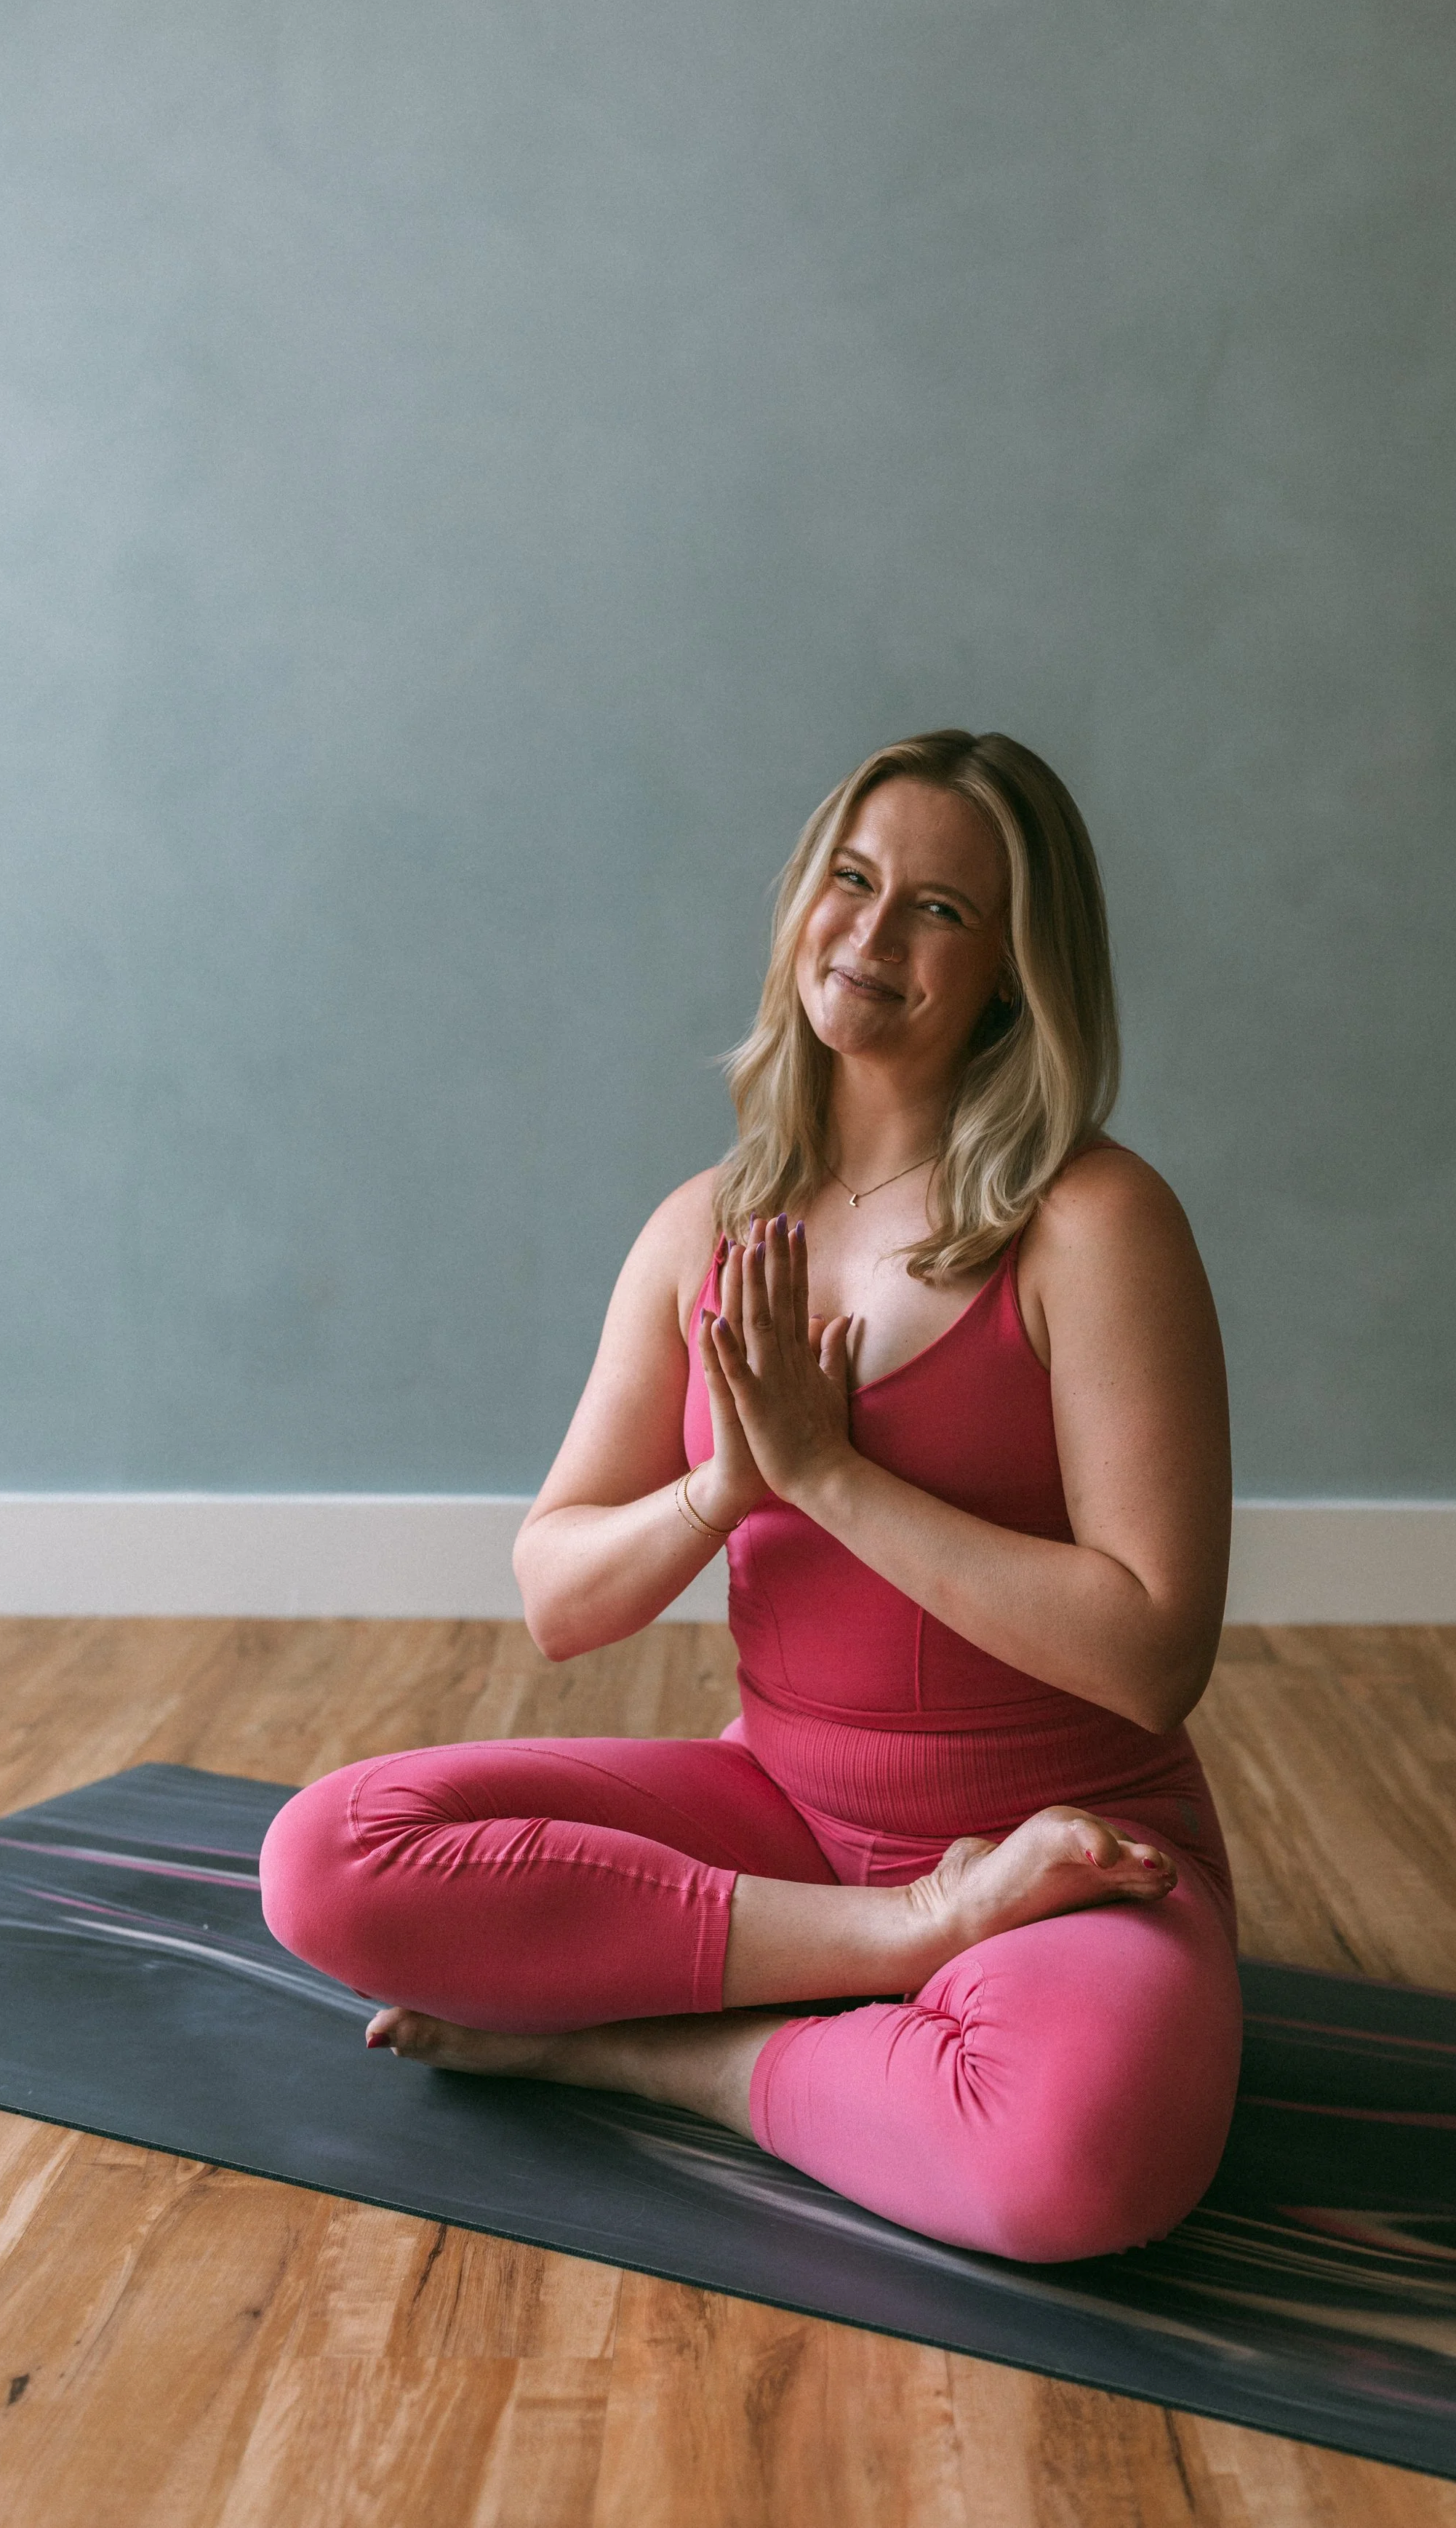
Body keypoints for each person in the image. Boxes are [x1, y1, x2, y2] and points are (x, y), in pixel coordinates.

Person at [260, 729, 1241, 2263]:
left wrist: (828, 1476)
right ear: (800, 901)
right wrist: (728, 1485)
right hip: (783, 1813)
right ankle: (884, 1951)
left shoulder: (1092, 1225)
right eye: (850, 880)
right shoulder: (700, 1228)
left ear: (1011, 971)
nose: (869, 933)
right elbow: (559, 1596)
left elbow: (1149, 1653)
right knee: (325, 1858)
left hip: (1066, 1847)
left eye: (937, 908)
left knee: (1071, 2162)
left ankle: (667, 2056)